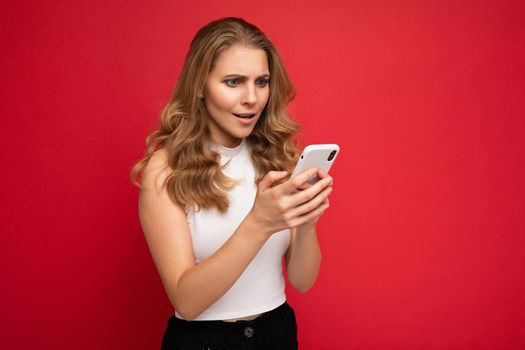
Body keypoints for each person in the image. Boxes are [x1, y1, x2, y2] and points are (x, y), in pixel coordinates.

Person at [130, 17, 334, 350]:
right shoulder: (165, 169)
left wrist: (307, 222)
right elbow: (187, 301)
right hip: (205, 341)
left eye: (262, 82)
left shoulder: (276, 157)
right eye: (233, 82)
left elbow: (303, 280)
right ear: (200, 85)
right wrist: (259, 223)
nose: (252, 98)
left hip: (277, 332)